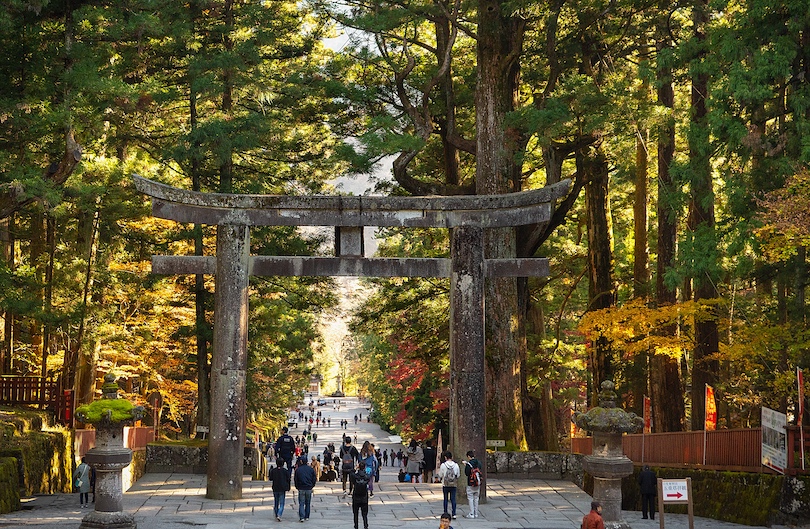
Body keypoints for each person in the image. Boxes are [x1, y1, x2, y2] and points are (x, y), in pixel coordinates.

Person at [437, 451, 460, 519]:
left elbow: (440, 474)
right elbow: (458, 475)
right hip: (453, 484)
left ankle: (445, 512)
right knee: (453, 499)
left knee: (445, 499)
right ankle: (454, 513)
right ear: (452, 457)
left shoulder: (443, 465)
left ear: (445, 457)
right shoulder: (456, 465)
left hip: (445, 484)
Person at [294, 456, 317, 522]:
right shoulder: (311, 469)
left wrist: (297, 487)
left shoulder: (298, 470)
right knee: (308, 503)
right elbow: (314, 478)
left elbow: (296, 479)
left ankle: (302, 517)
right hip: (309, 488)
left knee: (301, 503)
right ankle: (307, 516)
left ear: (301, 461)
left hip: (301, 488)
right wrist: (312, 485)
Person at [350, 462, 370, 529]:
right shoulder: (367, 476)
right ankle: (365, 526)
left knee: (355, 514)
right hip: (364, 497)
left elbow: (351, 474)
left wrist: (354, 469)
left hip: (356, 497)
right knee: (364, 514)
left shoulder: (355, 476)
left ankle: (356, 526)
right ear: (364, 467)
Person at [464, 450, 481, 518]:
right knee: (476, 498)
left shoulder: (469, 464)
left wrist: (466, 465)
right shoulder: (479, 463)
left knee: (470, 498)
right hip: (478, 482)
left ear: (468, 456)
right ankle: (476, 513)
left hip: (471, 482)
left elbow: (467, 473)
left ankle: (471, 513)